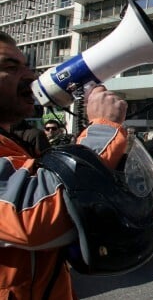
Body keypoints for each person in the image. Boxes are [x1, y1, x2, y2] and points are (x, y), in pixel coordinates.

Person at [0, 31, 128, 298]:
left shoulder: (10, 143)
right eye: (11, 67)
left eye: (27, 67)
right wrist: (103, 129)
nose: (31, 77)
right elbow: (35, 219)